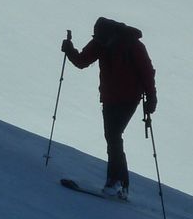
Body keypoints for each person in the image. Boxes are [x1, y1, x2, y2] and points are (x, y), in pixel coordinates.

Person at [61, 17, 157, 200]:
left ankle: (115, 182)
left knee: (113, 136)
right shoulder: (101, 41)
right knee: (112, 137)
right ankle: (121, 184)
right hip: (110, 98)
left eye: (101, 38)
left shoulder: (132, 45)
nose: (99, 42)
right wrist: (69, 50)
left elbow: (147, 72)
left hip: (129, 99)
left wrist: (151, 97)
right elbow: (82, 61)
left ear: (112, 34)